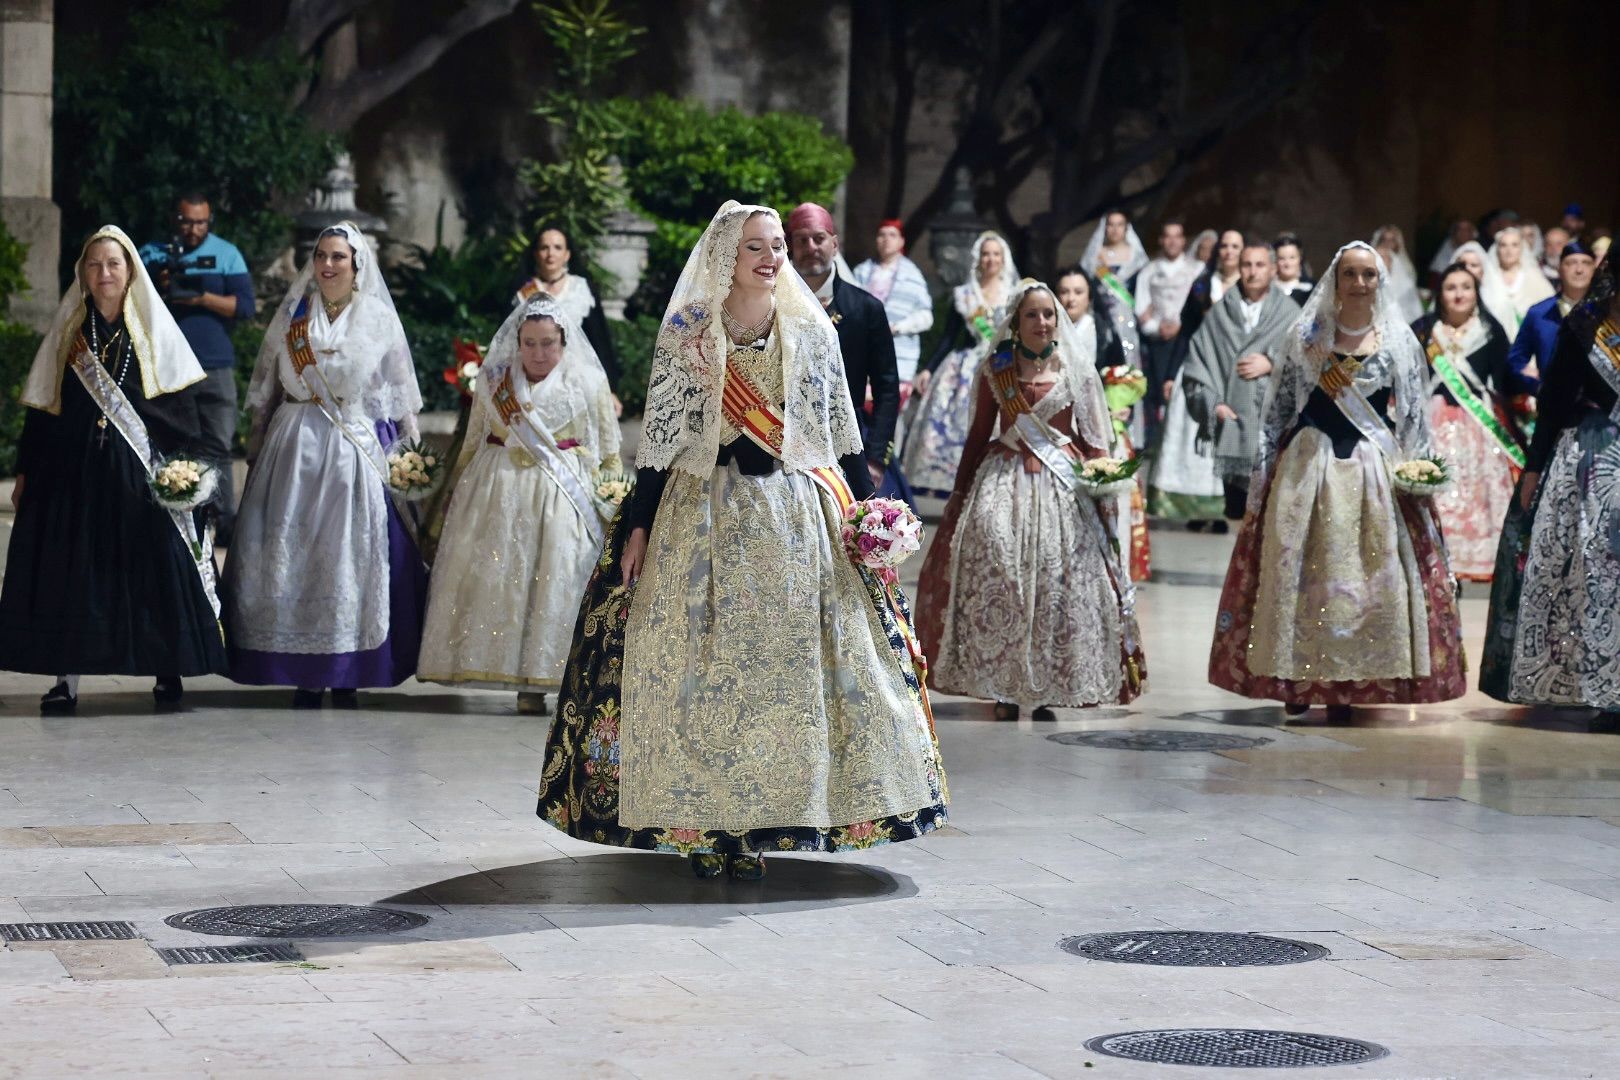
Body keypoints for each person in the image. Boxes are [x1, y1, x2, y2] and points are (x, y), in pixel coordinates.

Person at [534, 202, 947, 881]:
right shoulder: (689, 332)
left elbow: (838, 442)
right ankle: (703, 824)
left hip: (792, 522)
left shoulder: (810, 331)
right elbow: (660, 444)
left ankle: (763, 823)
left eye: (778, 244)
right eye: (756, 245)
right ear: (726, 255)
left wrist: (864, 520)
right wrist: (638, 524)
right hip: (700, 518)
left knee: (781, 677)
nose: (771, 256)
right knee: (703, 673)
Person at [1208, 241, 1467, 721]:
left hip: (1372, 466)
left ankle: (1357, 677)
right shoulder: (1307, 335)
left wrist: (1418, 473)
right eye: (1351, 274)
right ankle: (1298, 677)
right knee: (1304, 575)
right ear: (1336, 279)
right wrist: (1265, 473)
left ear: (1379, 281)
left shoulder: (1397, 339)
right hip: (1310, 464)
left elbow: (1411, 416)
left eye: (1369, 274)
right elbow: (1280, 408)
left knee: (1368, 577)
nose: (1360, 283)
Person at [1, 226, 227, 713]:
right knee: (73, 575)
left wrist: (184, 472)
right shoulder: (68, 335)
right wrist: (25, 471)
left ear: (130, 273)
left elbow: (181, 409)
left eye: (114, 264)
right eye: (95, 264)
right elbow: (44, 409)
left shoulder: (154, 331)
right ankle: (66, 679)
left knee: (154, 568)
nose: (104, 273)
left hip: (138, 478)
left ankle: (168, 668)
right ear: (83, 273)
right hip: (73, 476)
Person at [915, 279, 1144, 721]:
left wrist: (1105, 490)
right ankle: (1002, 685)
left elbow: (1097, 444)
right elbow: (978, 436)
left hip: (1062, 490)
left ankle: (1047, 687)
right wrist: (960, 494)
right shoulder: (995, 369)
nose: (1042, 322)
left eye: (1048, 315)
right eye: (1032, 315)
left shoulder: (1077, 370)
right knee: (1002, 575)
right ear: (1016, 325)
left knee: (1057, 582)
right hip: (1002, 480)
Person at [224, 222, 427, 708]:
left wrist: (413, 455)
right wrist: (255, 450)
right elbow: (269, 388)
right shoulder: (295, 314)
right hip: (293, 449)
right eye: (321, 256)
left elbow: (400, 394)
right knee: (292, 550)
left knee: (349, 554)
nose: (329, 264)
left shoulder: (376, 317)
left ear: (357, 265)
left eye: (339, 256)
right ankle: (303, 672)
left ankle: (348, 670)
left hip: (351, 451)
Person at [416, 294, 620, 714]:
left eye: (548, 343)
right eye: (530, 343)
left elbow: (608, 448)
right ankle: (494, 664)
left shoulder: (587, 382)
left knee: (555, 580)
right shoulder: (494, 379)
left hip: (563, 495)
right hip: (498, 488)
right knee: (497, 579)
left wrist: (611, 497)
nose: (539, 353)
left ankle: (546, 677)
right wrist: (454, 492)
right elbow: (473, 441)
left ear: (563, 341)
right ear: (517, 342)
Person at [1481, 252, 1620, 710]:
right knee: (1593, 577)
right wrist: (1534, 468)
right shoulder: (1584, 326)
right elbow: (1554, 402)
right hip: (1590, 462)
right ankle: (1602, 692)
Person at [138, 193, 256, 543]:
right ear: (174, 219)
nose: (193, 229)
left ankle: (224, 521)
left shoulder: (226, 254)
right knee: (166, 442)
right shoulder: (152, 253)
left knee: (218, 443)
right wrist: (157, 287)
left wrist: (202, 298)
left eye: (200, 222)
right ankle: (168, 516)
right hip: (166, 364)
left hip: (214, 364)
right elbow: (131, 303)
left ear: (210, 221)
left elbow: (246, 307)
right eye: (186, 221)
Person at [788, 202, 911, 503]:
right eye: (801, 239)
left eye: (818, 238)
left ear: (834, 243)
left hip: (848, 445)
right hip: (784, 445)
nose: (811, 246)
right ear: (789, 245)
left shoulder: (866, 309)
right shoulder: (773, 305)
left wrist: (875, 458)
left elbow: (886, 389)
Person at [1410, 263, 1518, 582]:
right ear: (1440, 294)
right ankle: (1433, 554)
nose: (1459, 294)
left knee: (1479, 492)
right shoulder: (1422, 330)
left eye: (1466, 287)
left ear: (1476, 292)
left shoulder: (1490, 330)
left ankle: (1478, 559)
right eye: (1451, 287)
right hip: (1433, 423)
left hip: (1478, 427)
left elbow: (1506, 380)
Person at [1180, 242, 1299, 521]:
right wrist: (1214, 406)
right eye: (1246, 265)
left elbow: (1306, 362)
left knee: (1272, 517)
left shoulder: (1290, 313)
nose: (1253, 272)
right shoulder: (1220, 314)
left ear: (1272, 269)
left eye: (1260, 265)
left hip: (1274, 430)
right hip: (1232, 427)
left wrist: (1272, 364)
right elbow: (1198, 364)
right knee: (1238, 516)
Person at [904, 231, 1020, 497]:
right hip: (964, 370)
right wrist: (929, 369)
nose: (990, 259)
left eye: (995, 254)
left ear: (1004, 259)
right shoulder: (965, 295)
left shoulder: (1014, 295)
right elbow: (948, 337)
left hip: (1001, 366)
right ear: (977, 259)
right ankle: (955, 486)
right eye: (985, 254)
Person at [1058, 266, 1150, 580]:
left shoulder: (1103, 330)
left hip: (1101, 428)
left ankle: (1111, 566)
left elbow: (1121, 376)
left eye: (1078, 292)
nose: (1071, 298)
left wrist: (1123, 409)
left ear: (1089, 297)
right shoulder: (1048, 329)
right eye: (1065, 291)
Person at [1147, 229, 1243, 527]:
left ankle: (1223, 509)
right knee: (1194, 437)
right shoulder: (1202, 286)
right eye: (1224, 246)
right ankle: (1194, 509)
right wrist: (1170, 374)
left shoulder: (1253, 287)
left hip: (1237, 372)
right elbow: (1186, 331)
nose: (1228, 252)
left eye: (1234, 247)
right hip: (1201, 366)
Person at [515, 226, 623, 409]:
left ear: (567, 254)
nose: (550, 253)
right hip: (531, 379)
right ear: (535, 253)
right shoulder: (524, 290)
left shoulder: (581, 289)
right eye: (544, 247)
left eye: (557, 247)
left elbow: (599, 340)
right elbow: (510, 337)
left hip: (576, 381)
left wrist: (610, 388)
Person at [1133, 218, 1201, 444]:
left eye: (1177, 236)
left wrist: (1182, 326)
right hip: (1159, 342)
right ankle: (1158, 443)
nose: (1172, 241)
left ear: (1183, 240)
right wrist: (1156, 327)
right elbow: (1141, 306)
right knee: (1158, 392)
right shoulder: (1149, 271)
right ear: (1162, 240)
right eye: (1167, 236)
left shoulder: (1196, 270)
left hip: (1188, 340)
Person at [850, 218, 935, 387]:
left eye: (892, 235)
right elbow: (849, 307)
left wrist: (897, 327)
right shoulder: (861, 272)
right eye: (882, 235)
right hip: (863, 353)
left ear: (901, 241)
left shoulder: (912, 275)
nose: (886, 239)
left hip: (898, 355)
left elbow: (926, 316)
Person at [1508, 239, 1598, 397]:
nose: (1579, 269)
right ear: (1559, 269)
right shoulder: (1540, 313)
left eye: (1586, 263)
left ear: (1595, 269)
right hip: (1551, 406)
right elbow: (1516, 360)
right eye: (1571, 263)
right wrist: (1535, 385)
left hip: (1600, 411)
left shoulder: (1607, 312)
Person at [1480, 226, 1554, 339]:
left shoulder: (1534, 277)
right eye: (1503, 245)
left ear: (1521, 248)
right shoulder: (1489, 278)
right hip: (1495, 337)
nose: (1509, 250)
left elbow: (1549, 308)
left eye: (1514, 245)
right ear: (1497, 249)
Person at [1372, 225, 1425, 323]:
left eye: (1391, 240)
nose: (1387, 244)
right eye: (1384, 240)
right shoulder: (1374, 256)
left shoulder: (1403, 264)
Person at [1427, 218, 1479, 287]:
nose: (1463, 233)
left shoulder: (1478, 252)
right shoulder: (1445, 251)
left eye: (1467, 230)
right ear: (1454, 233)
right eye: (1459, 229)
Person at [1274, 234, 1315, 304]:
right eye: (1282, 258)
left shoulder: (1312, 289)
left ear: (1300, 259)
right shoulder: (1267, 289)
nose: (1287, 263)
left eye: (1292, 258)